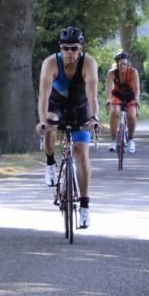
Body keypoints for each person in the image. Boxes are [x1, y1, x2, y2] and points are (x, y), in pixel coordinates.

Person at [36, 27, 99, 229]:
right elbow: (43, 97)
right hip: (56, 106)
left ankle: (85, 207)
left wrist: (94, 118)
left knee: (82, 154)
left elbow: (92, 95)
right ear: (60, 48)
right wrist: (42, 121)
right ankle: (50, 163)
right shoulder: (50, 63)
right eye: (66, 48)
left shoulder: (88, 63)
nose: (70, 52)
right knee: (50, 123)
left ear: (81, 48)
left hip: (80, 107)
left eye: (74, 48)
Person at [106, 51, 140, 153]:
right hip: (117, 95)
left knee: (132, 116)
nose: (123, 66)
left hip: (130, 95)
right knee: (114, 112)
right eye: (120, 64)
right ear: (117, 64)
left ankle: (131, 139)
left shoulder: (133, 72)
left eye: (125, 64)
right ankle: (113, 140)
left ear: (128, 64)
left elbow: (137, 88)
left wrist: (137, 99)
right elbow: (109, 88)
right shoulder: (112, 73)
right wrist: (108, 99)